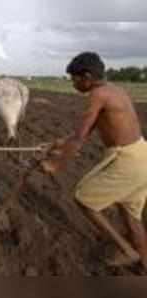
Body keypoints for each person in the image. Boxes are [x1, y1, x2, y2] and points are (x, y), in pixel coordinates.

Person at [41, 52, 147, 268]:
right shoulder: (116, 90)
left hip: (127, 159)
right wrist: (56, 144)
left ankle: (127, 250)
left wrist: (55, 165)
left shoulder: (98, 95)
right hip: (141, 154)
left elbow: (80, 139)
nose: (73, 84)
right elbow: (84, 133)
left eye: (75, 79)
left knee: (83, 198)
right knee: (130, 215)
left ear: (87, 77)